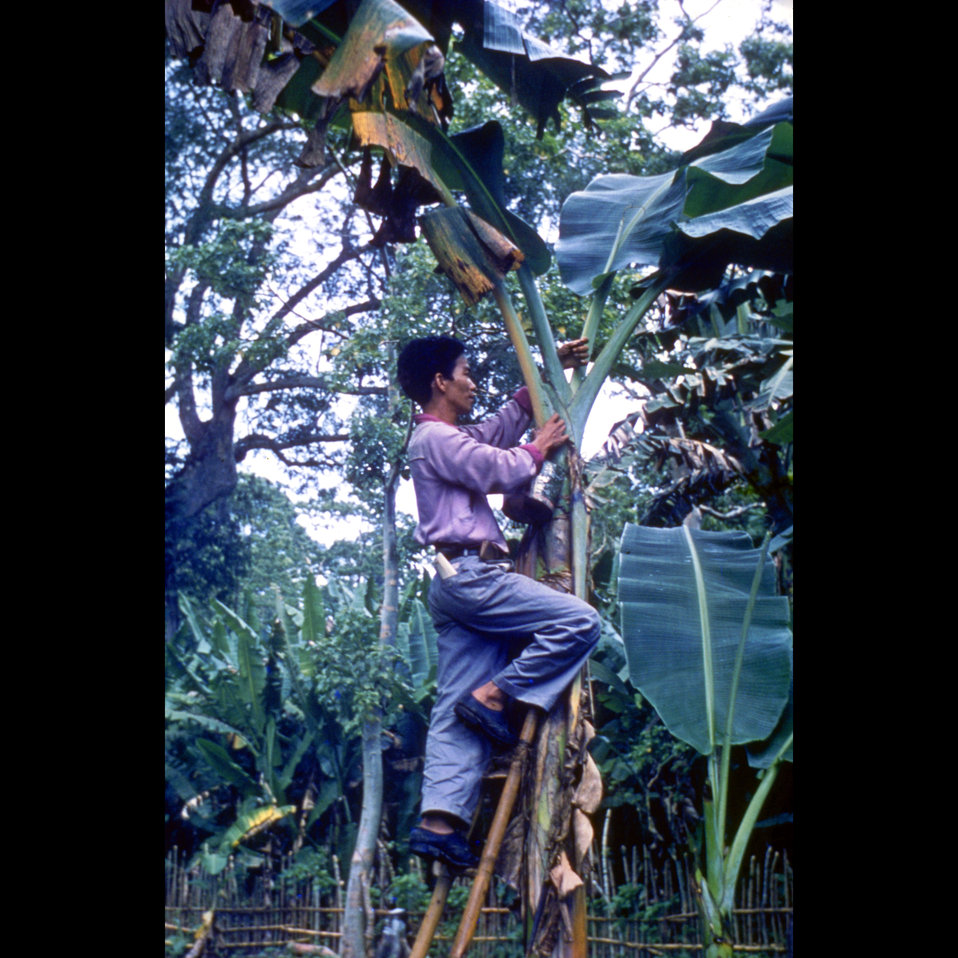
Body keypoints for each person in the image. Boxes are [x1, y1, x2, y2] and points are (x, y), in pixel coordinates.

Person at [396, 335, 601, 870]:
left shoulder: (446, 438)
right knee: (580, 623)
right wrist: (539, 449)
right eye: (464, 372)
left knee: (451, 712)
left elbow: (495, 429)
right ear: (440, 382)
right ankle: (495, 693)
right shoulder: (433, 439)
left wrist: (545, 366)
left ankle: (438, 823)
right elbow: (498, 466)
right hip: (473, 576)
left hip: (455, 579)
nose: (471, 381)